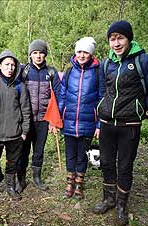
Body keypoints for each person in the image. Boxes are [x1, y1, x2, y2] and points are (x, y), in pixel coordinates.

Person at [93, 20, 148, 225]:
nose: (116, 43)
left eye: (120, 38)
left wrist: (139, 108)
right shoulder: (106, 63)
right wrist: (102, 107)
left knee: (125, 165)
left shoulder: (144, 60)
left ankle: (121, 205)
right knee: (107, 163)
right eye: (112, 39)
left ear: (129, 38)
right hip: (107, 123)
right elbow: (102, 90)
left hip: (130, 126)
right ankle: (108, 199)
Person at [0, 50, 31, 201]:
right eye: (7, 64)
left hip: (15, 134)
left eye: (12, 65)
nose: (10, 68)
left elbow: (26, 110)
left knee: (12, 163)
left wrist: (24, 131)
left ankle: (10, 187)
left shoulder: (20, 86)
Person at [58, 37, 100, 200]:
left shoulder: (97, 72)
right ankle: (69, 182)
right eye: (79, 51)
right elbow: (62, 95)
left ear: (91, 54)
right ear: (75, 53)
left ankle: (79, 183)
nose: (82, 55)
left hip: (88, 121)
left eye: (86, 52)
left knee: (82, 154)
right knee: (70, 154)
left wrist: (99, 125)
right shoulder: (69, 72)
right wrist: (59, 117)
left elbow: (102, 98)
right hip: (68, 121)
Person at [17, 39, 61, 192]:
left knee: (39, 150)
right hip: (26, 120)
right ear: (30, 55)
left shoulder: (51, 72)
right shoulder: (23, 71)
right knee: (23, 150)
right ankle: (21, 179)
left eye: (41, 53)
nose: (38, 56)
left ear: (45, 55)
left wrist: (53, 121)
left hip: (43, 119)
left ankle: (36, 177)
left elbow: (58, 96)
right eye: (35, 53)